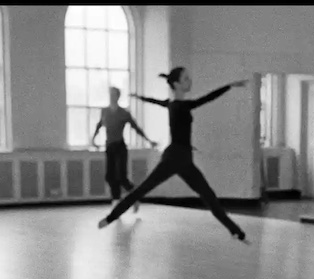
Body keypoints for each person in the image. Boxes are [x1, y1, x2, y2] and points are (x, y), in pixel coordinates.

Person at [96, 67, 250, 243]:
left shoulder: (172, 104)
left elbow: (156, 102)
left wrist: (142, 98)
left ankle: (235, 230)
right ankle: (112, 217)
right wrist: (229, 86)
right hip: (175, 157)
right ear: (176, 84)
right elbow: (207, 98)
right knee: (144, 188)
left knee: (208, 195)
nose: (189, 81)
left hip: (184, 158)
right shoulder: (179, 106)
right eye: (185, 79)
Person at [91, 86, 157, 207]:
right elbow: (99, 124)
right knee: (110, 176)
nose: (111, 96)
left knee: (121, 176)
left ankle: (134, 196)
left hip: (120, 147)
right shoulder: (104, 111)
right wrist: (93, 139)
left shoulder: (124, 113)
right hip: (109, 146)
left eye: (113, 94)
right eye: (110, 94)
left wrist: (149, 140)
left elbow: (136, 128)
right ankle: (116, 199)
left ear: (117, 96)